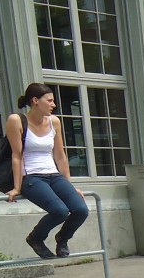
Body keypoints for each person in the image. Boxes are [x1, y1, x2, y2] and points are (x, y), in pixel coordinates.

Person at [6, 82, 88, 259]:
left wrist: (70, 185)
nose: (53, 105)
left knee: (81, 209)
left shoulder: (54, 122)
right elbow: (16, 156)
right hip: (32, 177)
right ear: (35, 100)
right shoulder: (16, 120)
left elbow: (60, 156)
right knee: (59, 211)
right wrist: (17, 187)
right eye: (49, 101)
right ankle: (36, 239)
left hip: (54, 175)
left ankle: (62, 238)